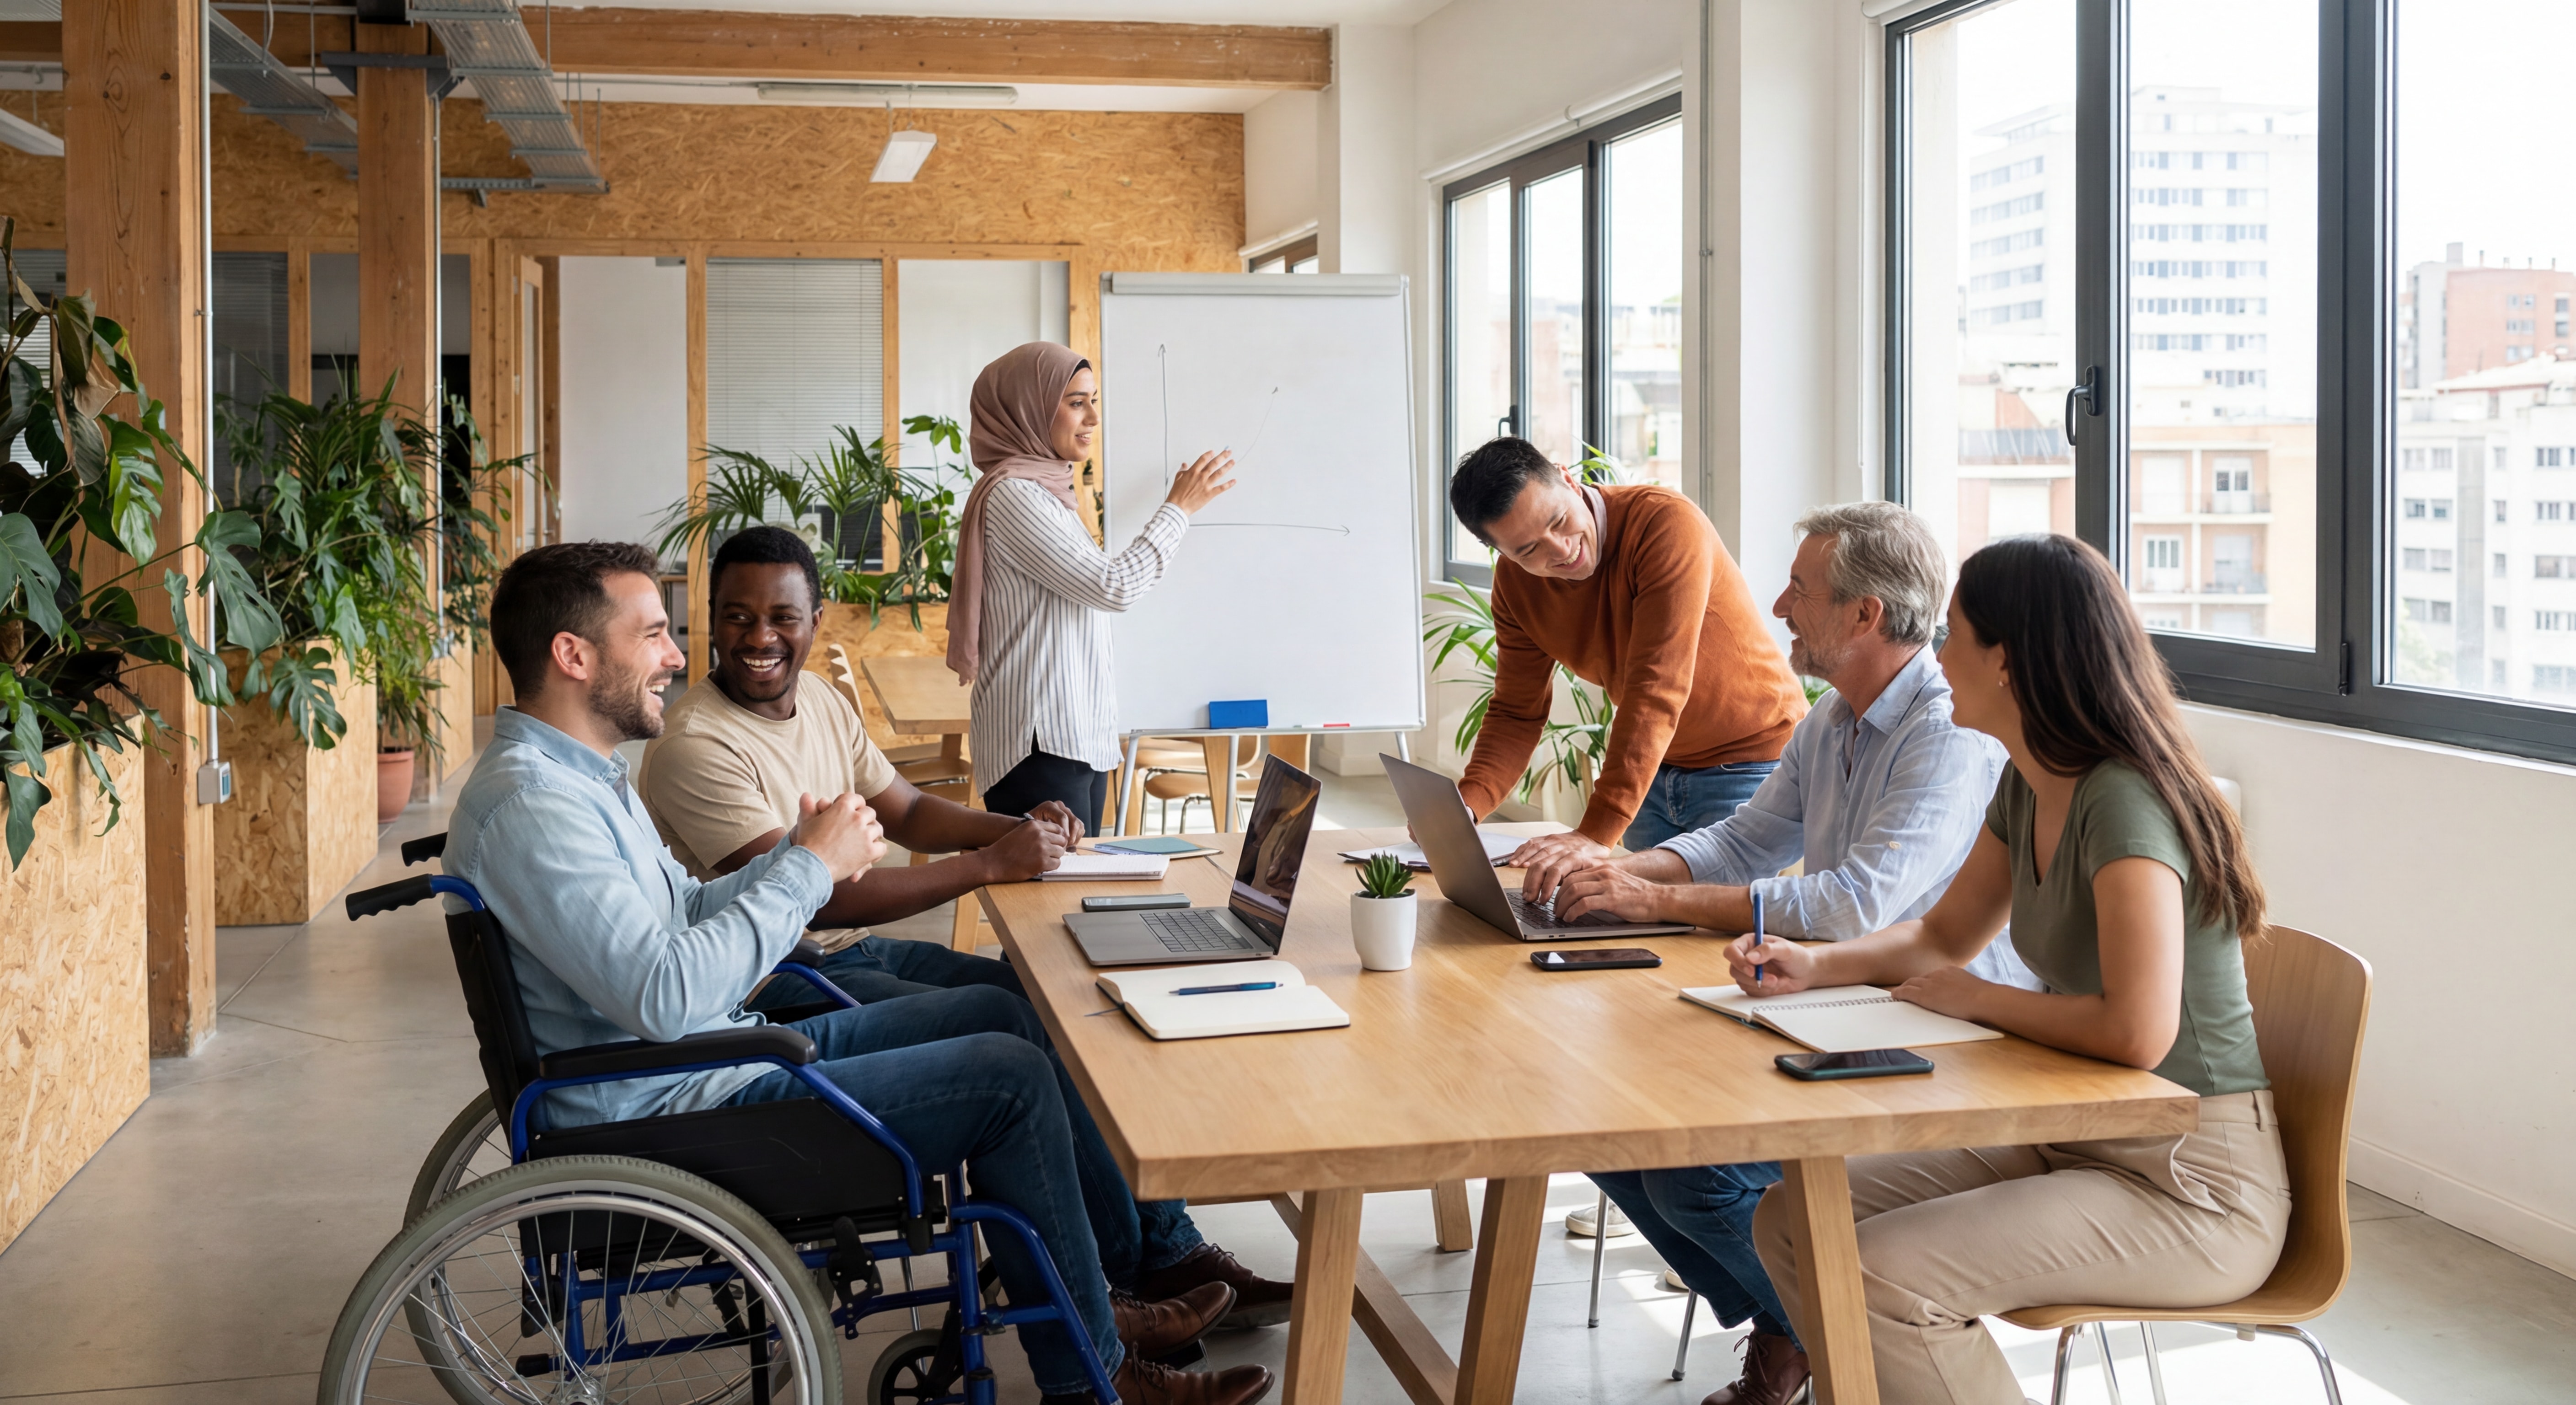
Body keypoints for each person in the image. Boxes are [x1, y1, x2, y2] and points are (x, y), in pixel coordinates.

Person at [444, 540, 1273, 1405]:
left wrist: (799, 853)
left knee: (1016, 1020)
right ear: (573, 656)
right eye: (653, 633)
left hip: (719, 1054)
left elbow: (686, 908)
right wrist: (810, 871)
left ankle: (1091, 1303)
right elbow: (663, 994)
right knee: (1012, 1078)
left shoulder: (576, 779)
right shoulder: (537, 808)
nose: (676, 655)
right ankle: (1094, 1375)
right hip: (679, 1105)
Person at [636, 524, 1293, 1328]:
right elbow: (814, 900)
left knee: (1059, 1002)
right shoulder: (695, 744)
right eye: (737, 617)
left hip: (850, 954)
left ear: (814, 619)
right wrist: (991, 866)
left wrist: (1016, 828)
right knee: (1028, 1027)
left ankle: (1159, 1249)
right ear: (709, 621)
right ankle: (1125, 1274)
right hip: (790, 979)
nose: (761, 637)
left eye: (783, 616)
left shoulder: (820, 703)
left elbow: (906, 811)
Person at [1734, 533, 2287, 1405]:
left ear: (2007, 658)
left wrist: (1982, 1002)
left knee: (1881, 1277)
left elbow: (2139, 1030)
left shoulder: (2123, 799)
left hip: (2189, 1178)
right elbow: (1939, 937)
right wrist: (1813, 963)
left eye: (1951, 635)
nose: (1937, 656)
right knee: (1791, 1218)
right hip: (2070, 1134)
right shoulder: (2029, 781)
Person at [1547, 502, 2034, 1405]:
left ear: (1863, 617)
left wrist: (1652, 899)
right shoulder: (1833, 719)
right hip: (1846, 1005)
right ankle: (1798, 1328)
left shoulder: (1946, 731)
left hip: (1946, 1035)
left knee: (1696, 1174)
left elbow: (1853, 906)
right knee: (1603, 1127)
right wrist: (1608, 868)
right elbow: (1740, 843)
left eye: (1799, 591)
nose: (1775, 604)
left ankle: (1821, 1342)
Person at [1444, 437, 1808, 903]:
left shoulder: (1664, 524)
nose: (1560, 550)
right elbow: (1517, 710)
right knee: (1650, 943)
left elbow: (1657, 686)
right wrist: (1465, 808)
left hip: (1749, 764)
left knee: (1709, 946)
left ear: (1569, 481)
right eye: (1528, 549)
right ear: (1501, 553)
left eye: (1559, 521)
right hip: (1654, 775)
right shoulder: (1516, 586)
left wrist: (1596, 833)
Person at [949, 340, 1233, 830]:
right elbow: (1113, 586)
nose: (1093, 419)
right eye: (1076, 403)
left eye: (1094, 400)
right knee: (1048, 903)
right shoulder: (1017, 496)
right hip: (1039, 745)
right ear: (1030, 410)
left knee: (1072, 898)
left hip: (1075, 736)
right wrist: (1178, 509)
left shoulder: (1048, 492)